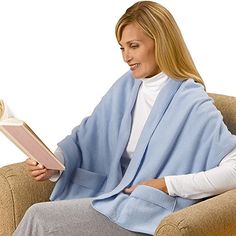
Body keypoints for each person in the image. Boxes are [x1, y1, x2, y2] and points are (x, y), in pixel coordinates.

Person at [13, 1, 236, 235]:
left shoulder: (190, 101)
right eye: (122, 48)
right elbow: (87, 137)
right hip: (112, 197)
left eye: (134, 46)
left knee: (39, 217)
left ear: (161, 43)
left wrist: (167, 184)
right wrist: (54, 165)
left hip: (145, 213)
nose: (126, 57)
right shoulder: (127, 86)